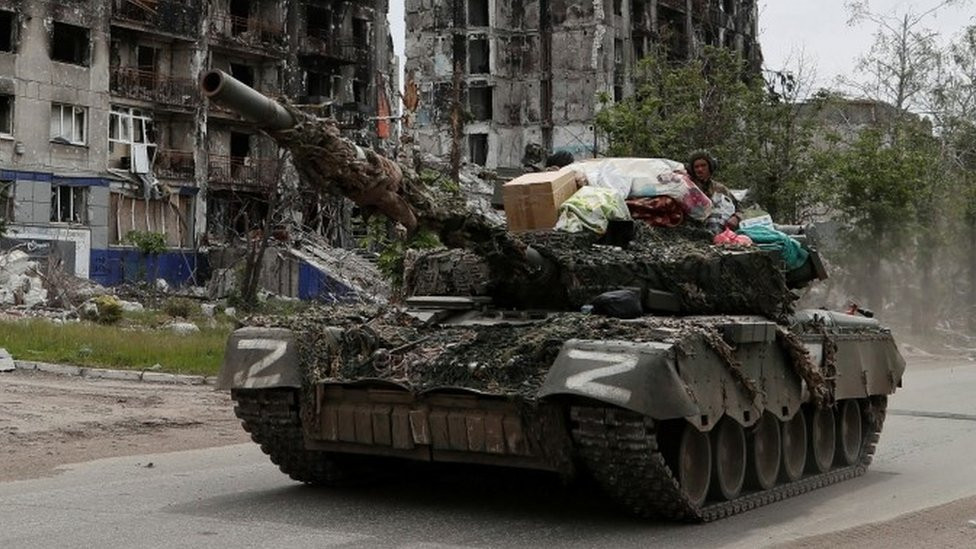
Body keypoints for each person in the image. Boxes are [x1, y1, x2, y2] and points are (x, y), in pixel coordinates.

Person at [686, 150, 741, 232]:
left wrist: (736, 217)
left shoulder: (720, 188)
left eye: (703, 165)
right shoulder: (687, 187)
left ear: (710, 167)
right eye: (696, 167)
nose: (700, 169)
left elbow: (738, 208)